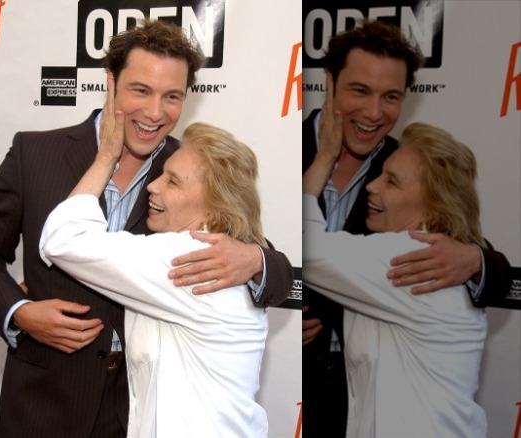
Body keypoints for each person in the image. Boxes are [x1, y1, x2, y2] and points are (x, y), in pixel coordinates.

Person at [0, 19, 294, 437]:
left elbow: (275, 270)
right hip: (46, 396)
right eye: (141, 90)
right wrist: (20, 312)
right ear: (111, 81)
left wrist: (256, 259)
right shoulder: (36, 152)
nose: (155, 113)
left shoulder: (187, 167)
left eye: (171, 96)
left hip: (138, 406)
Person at [301, 20, 511, 436]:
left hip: (363, 386)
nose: (374, 112)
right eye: (360, 91)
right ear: (330, 83)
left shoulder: (407, 165)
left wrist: (474, 259)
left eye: (391, 97)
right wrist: (276, 309)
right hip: (288, 375)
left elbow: (473, 251)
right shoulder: (276, 144)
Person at [40, 94, 280, 436]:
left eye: (173, 181)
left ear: (214, 210)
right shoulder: (219, 255)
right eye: (161, 175)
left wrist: (106, 157)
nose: (152, 186)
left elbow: (62, 239)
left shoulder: (187, 257)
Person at [303, 121, 489, 437]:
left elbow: (305, 246)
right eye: (380, 174)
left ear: (433, 207)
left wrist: (322, 162)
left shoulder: (410, 255)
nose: (372, 186)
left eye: (392, 182)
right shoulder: (440, 257)